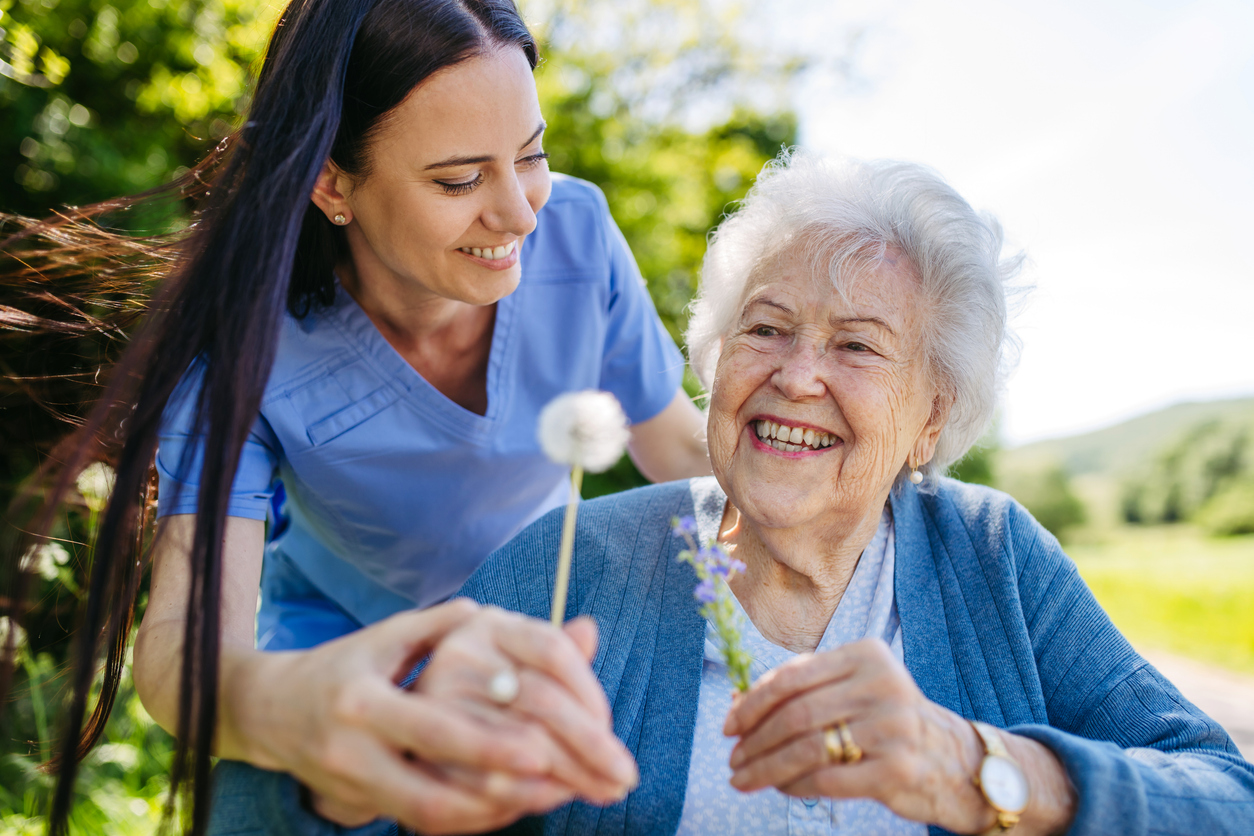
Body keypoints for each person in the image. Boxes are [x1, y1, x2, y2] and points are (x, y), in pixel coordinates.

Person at [210, 150, 1254, 834]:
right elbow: (291, 802)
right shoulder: (576, 566)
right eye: (764, 328)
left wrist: (976, 765)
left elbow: (1225, 795)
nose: (797, 374)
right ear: (711, 361)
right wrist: (329, 777)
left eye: (856, 345)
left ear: (933, 416)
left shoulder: (990, 553)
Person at [1, 0, 710, 832]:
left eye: (531, 155)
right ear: (332, 183)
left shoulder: (579, 235)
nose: (520, 212)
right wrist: (301, 707)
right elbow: (184, 650)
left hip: (545, 635)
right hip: (336, 659)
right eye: (458, 179)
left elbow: (683, 453)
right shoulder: (244, 345)